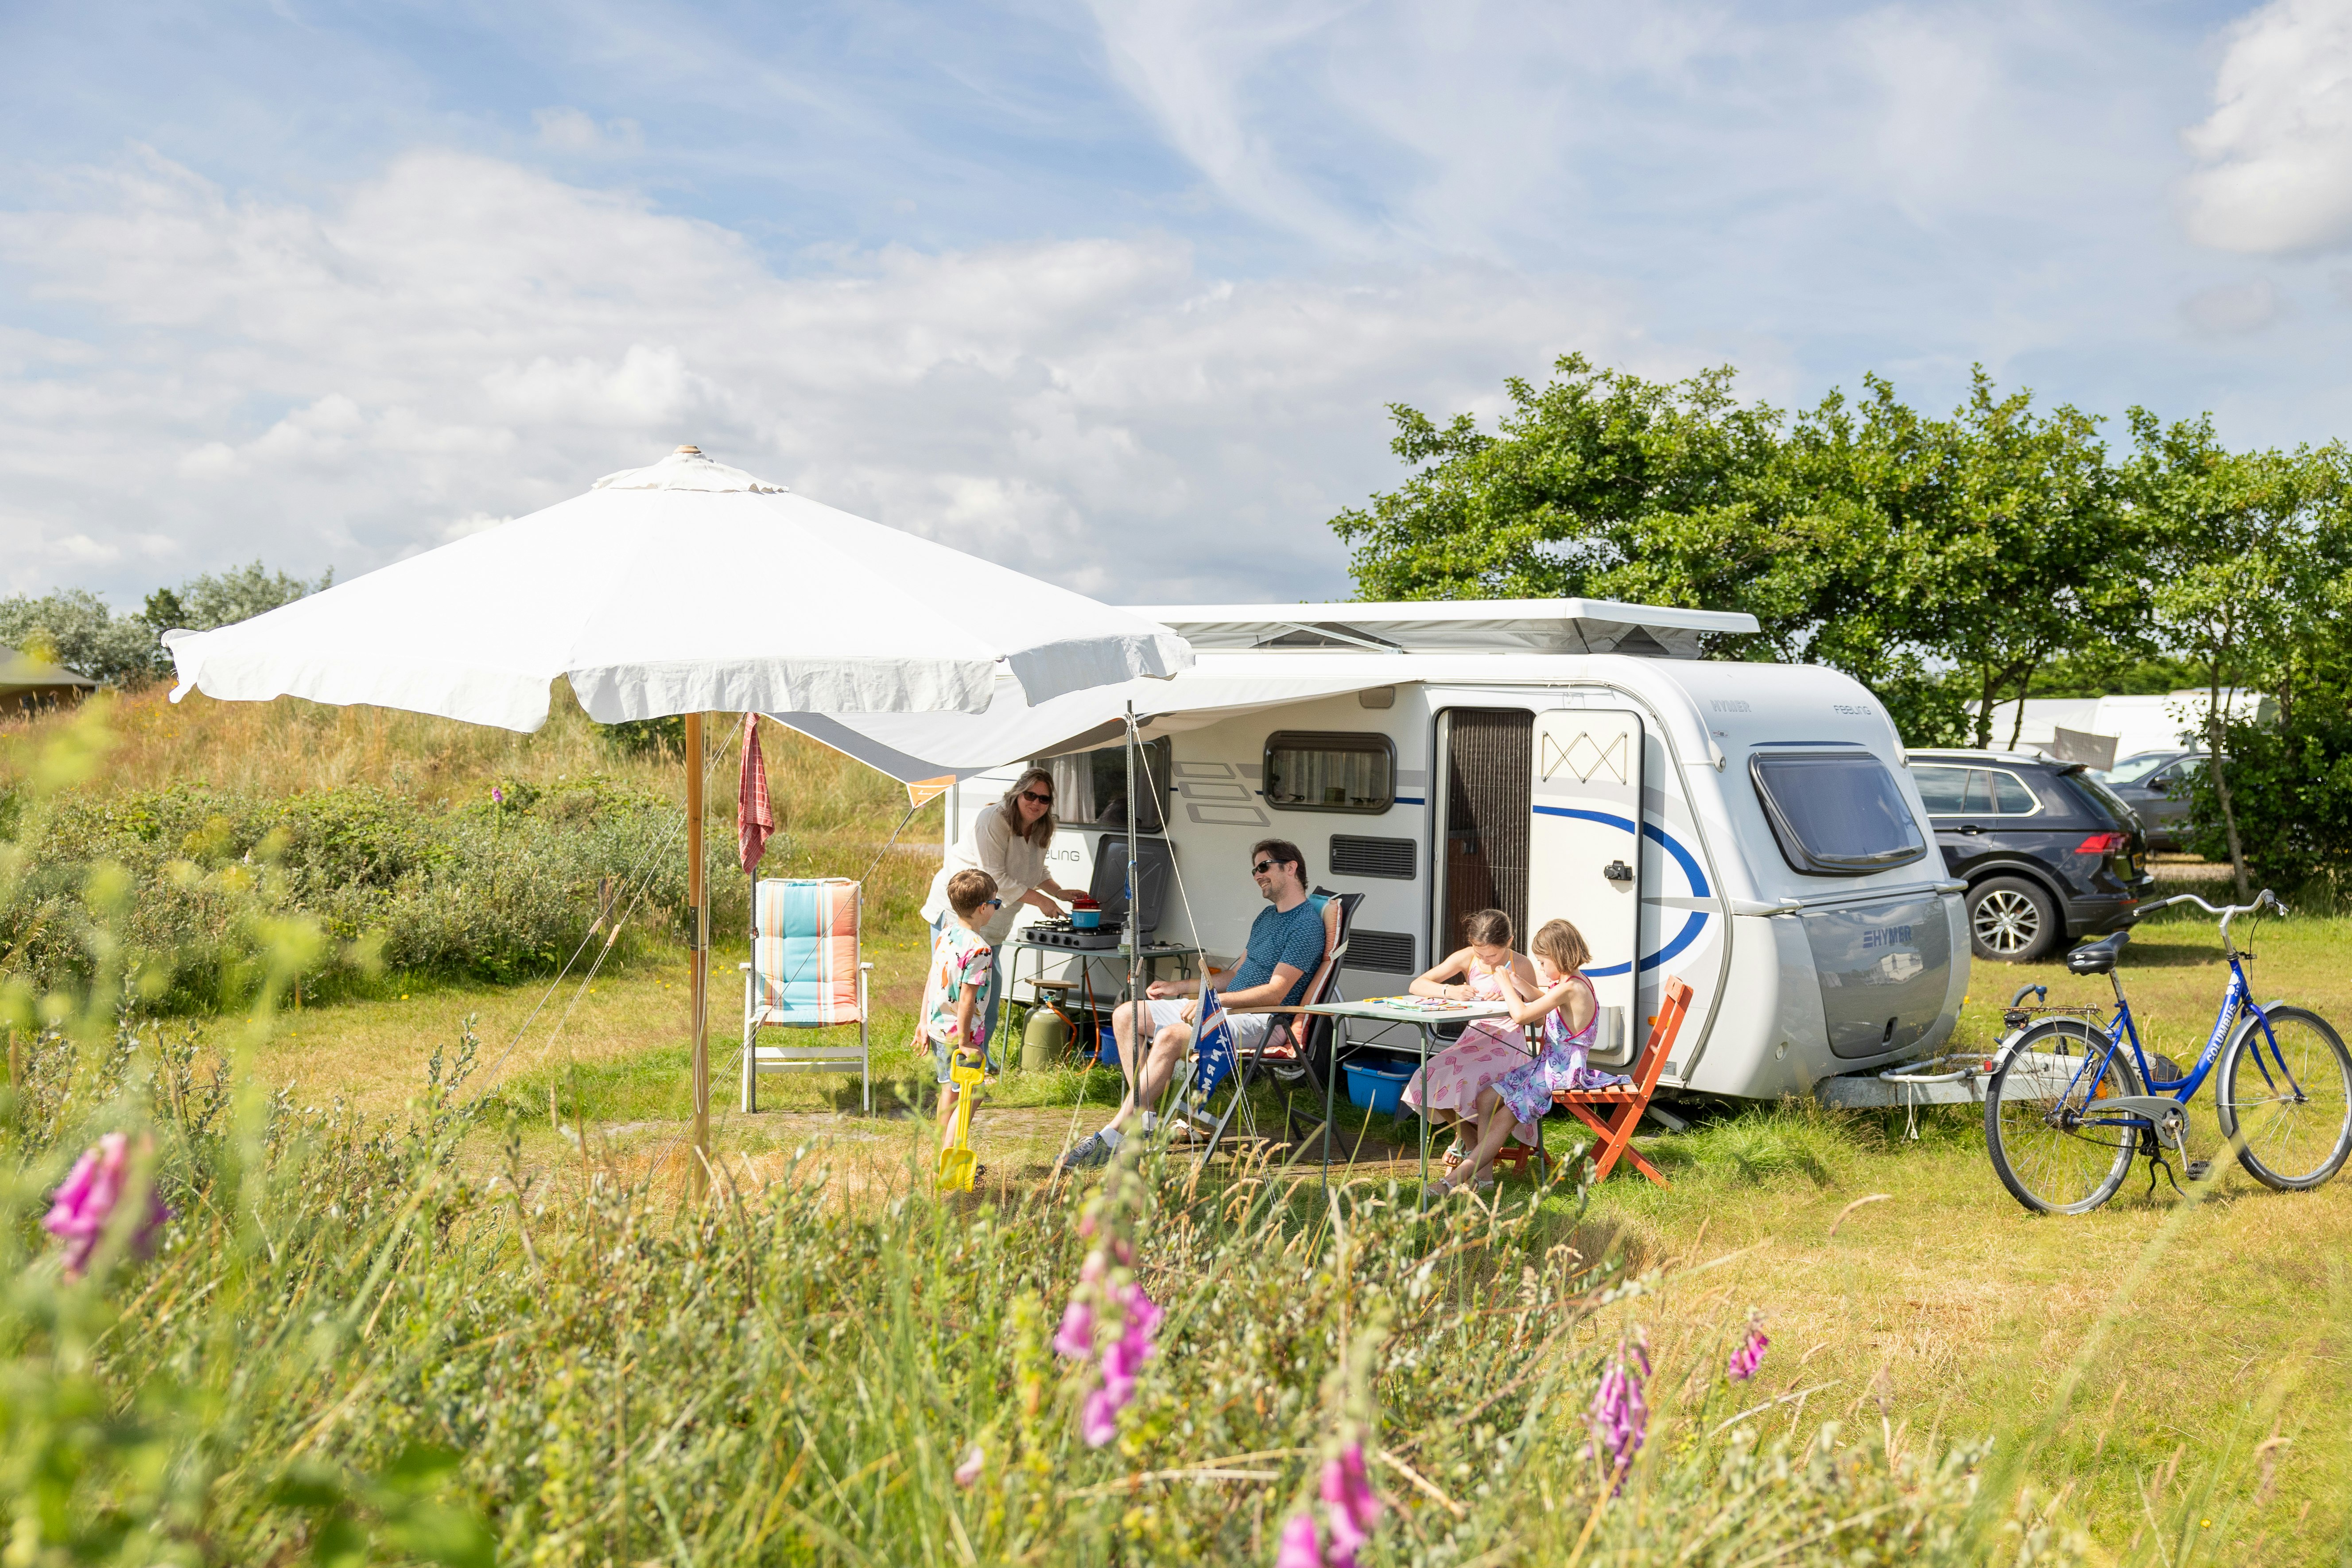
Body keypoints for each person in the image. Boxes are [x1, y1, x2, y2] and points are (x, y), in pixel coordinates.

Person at [1058, 838, 1326, 1170]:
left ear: (1291, 867)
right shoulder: (1267, 919)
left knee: (1171, 1036)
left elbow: (1276, 993)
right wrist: (1180, 987)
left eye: (1263, 867)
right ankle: (1146, 1123)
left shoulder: (1306, 926)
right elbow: (1233, 975)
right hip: (1227, 1008)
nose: (1256, 875)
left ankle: (1116, 1134)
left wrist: (1210, 1003)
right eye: (1254, 869)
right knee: (1129, 1014)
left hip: (1264, 1020)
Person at [1432, 916, 1630, 1197]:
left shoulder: (1571, 987)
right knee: (1487, 1098)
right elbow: (1542, 999)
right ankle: (1484, 1179)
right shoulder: (1571, 981)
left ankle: (1450, 1182)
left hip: (1559, 1074)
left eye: (1543, 962)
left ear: (1559, 956)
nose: (1541, 967)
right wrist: (1517, 981)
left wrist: (1507, 986)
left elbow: (1523, 1014)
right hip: (1546, 1067)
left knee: (1501, 1121)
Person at [917, 768, 1082, 1042]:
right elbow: (994, 878)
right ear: (1018, 793)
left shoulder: (1042, 826)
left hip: (993, 917)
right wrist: (1042, 901)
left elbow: (1036, 870)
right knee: (951, 990)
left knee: (988, 994)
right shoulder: (993, 820)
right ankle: (946, 1060)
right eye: (1031, 795)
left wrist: (1060, 892)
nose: (1036, 804)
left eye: (1044, 799)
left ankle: (980, 1058)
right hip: (961, 910)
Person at [1399, 910, 1543, 1175]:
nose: (1486, 960)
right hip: (1472, 1040)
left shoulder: (1519, 964)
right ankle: (1471, 1140)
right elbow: (1417, 985)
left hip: (1507, 1044)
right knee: (1424, 1075)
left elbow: (1538, 1021)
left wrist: (1512, 997)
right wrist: (1450, 990)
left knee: (1467, 1077)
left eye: (1493, 955)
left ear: (1509, 941)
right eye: (1480, 953)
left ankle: (1472, 1148)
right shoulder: (1467, 958)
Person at [922, 869, 1001, 1160]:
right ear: (984, 908)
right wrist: (967, 1041)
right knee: (973, 1095)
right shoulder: (980, 950)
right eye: (996, 903)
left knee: (949, 1093)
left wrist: (923, 1022)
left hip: (939, 1030)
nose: (995, 908)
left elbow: (933, 978)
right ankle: (950, 1156)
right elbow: (968, 999)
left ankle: (938, 1156)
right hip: (962, 1035)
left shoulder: (946, 935)